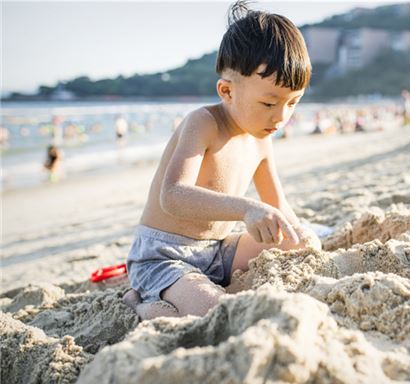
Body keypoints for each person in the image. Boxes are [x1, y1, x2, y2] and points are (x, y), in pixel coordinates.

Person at [123, 0, 320, 320]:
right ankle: (138, 302)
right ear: (227, 91)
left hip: (220, 249)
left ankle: (181, 295)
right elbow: (172, 196)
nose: (281, 116)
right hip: (164, 256)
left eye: (292, 103)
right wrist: (246, 208)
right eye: (269, 103)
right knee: (215, 309)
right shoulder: (203, 123)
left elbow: (279, 206)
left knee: (302, 240)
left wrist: (301, 239)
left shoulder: (263, 137)